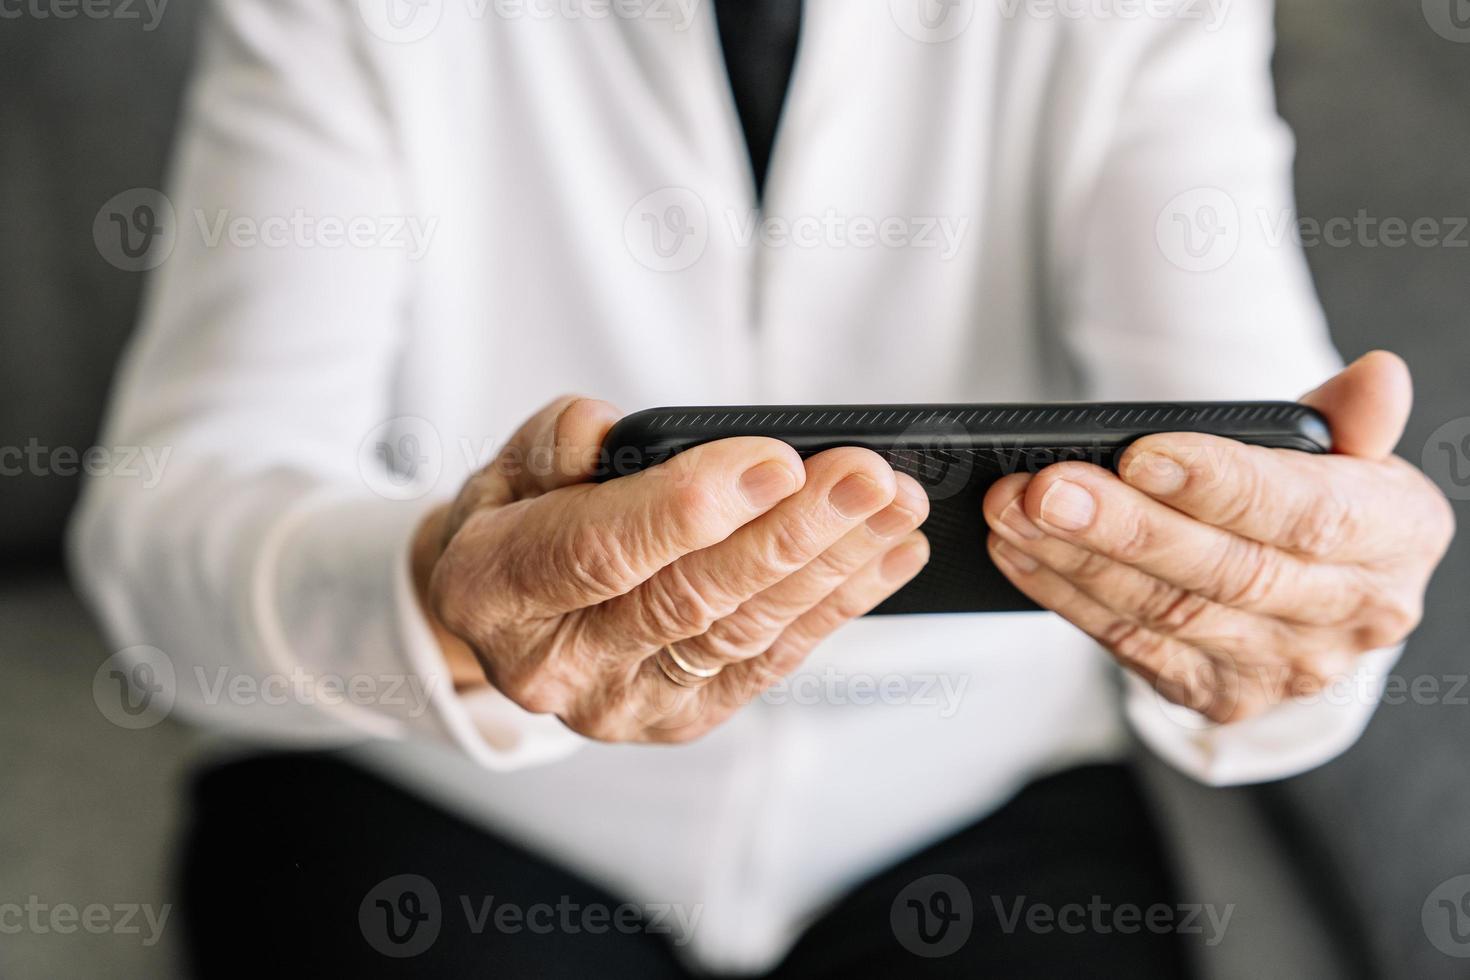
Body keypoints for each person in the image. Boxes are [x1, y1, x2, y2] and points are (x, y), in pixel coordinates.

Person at [71, 0, 1453, 976]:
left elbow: (1262, 486)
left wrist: (1292, 615)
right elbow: (169, 512)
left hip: (974, 802)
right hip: (440, 799)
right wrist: (440, 603)